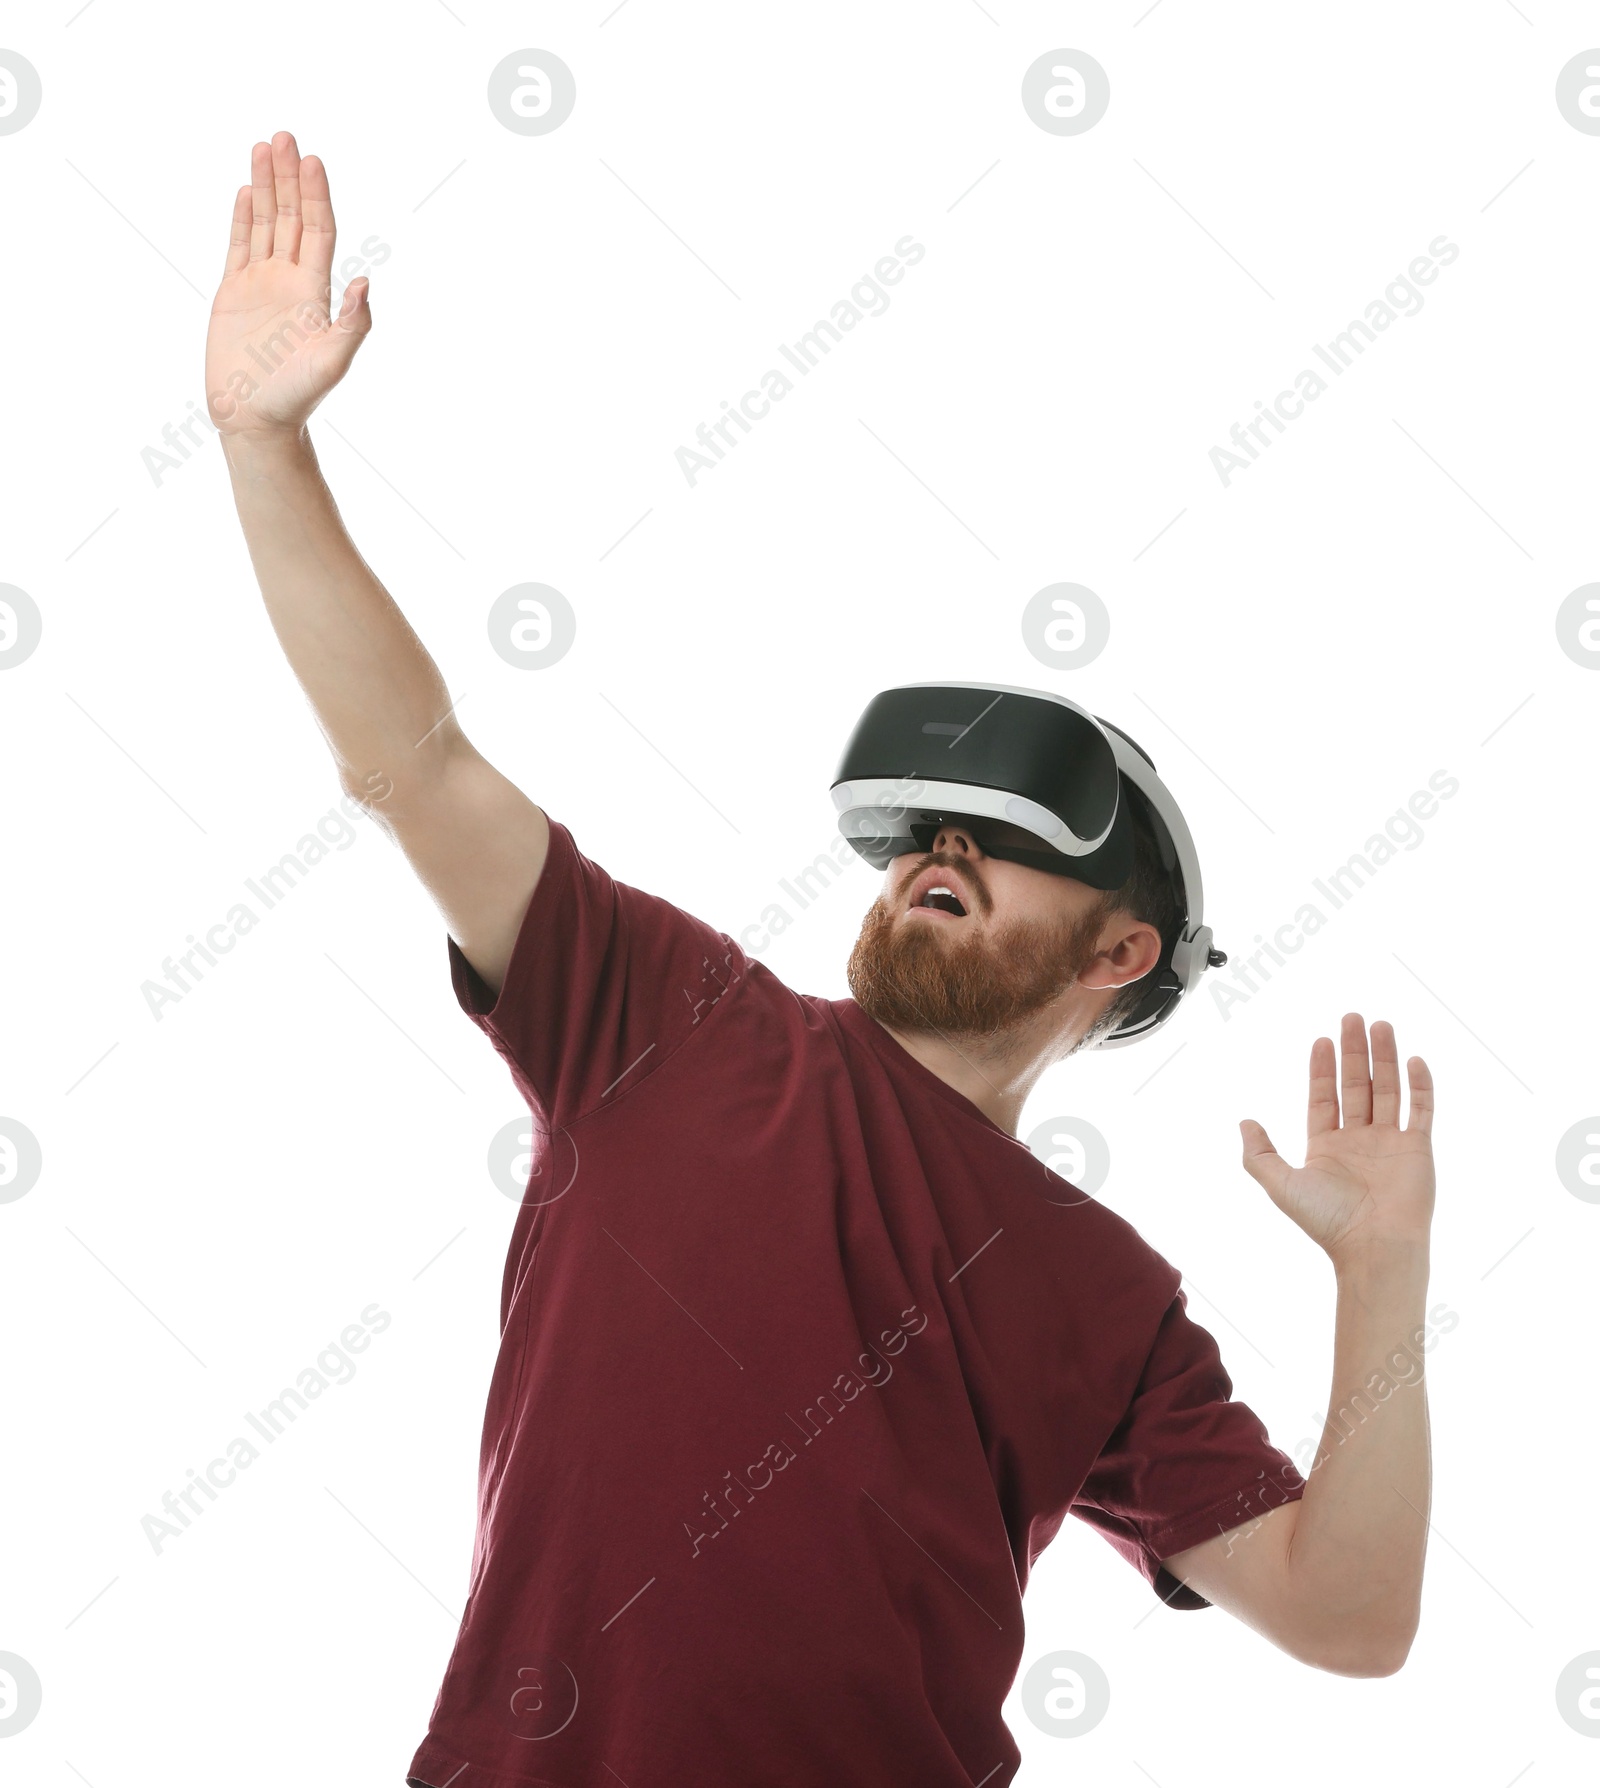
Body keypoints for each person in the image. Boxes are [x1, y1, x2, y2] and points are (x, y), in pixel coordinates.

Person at [207, 132, 1438, 1788]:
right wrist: (262, 449)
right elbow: (416, 764)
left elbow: (1347, 1618)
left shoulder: (1110, 1300)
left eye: (1004, 840)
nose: (946, 850)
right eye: (927, 829)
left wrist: (1382, 1284)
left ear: (1120, 949)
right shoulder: (663, 1015)